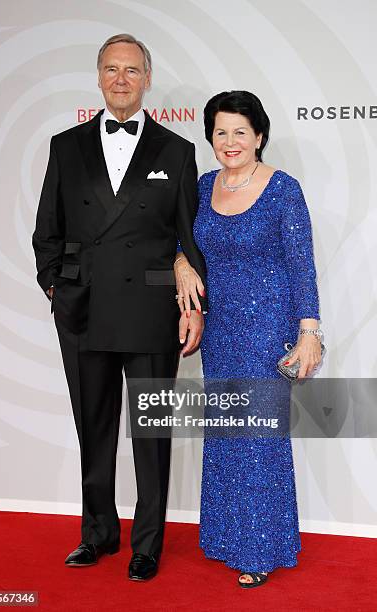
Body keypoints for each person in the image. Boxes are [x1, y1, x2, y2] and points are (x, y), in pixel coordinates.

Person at [32, 33, 206, 581]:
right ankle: (98, 533)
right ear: (99, 77)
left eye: (132, 70)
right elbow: (47, 231)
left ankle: (147, 543)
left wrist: (188, 290)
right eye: (111, 69)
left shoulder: (177, 151)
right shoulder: (66, 146)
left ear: (147, 79)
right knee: (95, 427)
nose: (121, 79)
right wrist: (56, 287)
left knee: (151, 433)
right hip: (82, 310)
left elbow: (191, 235)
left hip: (151, 311)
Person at [174, 90, 322, 588]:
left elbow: (302, 265)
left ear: (259, 135)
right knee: (225, 433)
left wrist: (309, 332)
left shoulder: (283, 189)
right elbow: (184, 242)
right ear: (210, 139)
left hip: (267, 328)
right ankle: (224, 538)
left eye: (240, 131)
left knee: (257, 436)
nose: (230, 141)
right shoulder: (202, 185)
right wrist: (178, 264)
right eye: (220, 132)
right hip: (220, 329)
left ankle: (261, 546)